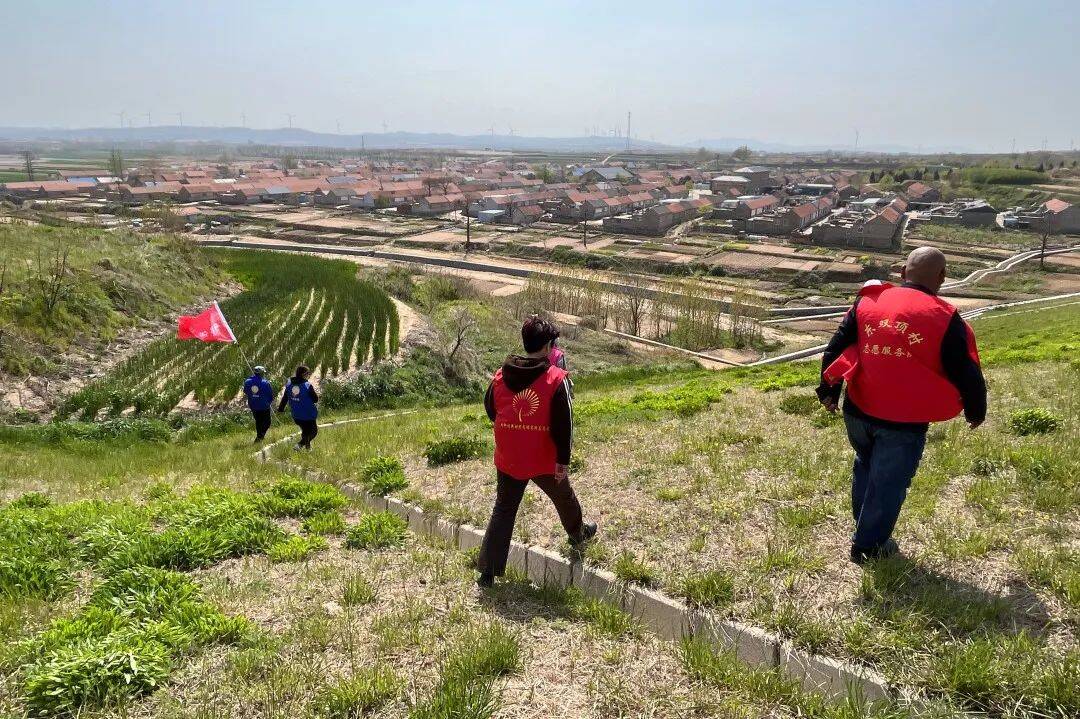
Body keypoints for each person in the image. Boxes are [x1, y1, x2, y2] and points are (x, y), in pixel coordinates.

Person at [817, 247, 986, 564]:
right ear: (942, 277)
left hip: (858, 410)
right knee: (888, 483)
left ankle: (864, 529)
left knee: (866, 465)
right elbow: (966, 370)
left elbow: (838, 346)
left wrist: (828, 391)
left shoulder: (869, 300)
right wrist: (976, 411)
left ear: (903, 273)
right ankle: (868, 547)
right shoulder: (945, 317)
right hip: (903, 422)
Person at [477, 316, 596, 588]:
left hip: (509, 456)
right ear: (546, 347)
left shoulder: (500, 375)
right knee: (563, 496)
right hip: (543, 457)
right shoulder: (555, 379)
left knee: (504, 508)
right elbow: (564, 424)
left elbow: (491, 408)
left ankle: (487, 572)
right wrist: (563, 460)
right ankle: (578, 534)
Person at [277, 364, 319, 451]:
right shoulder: (307, 385)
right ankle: (299, 445)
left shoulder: (289, 385)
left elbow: (285, 398)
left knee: (305, 431)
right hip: (308, 414)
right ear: (303, 374)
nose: (309, 375)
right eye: (308, 373)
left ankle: (308, 448)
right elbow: (315, 399)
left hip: (296, 415)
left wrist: (281, 409)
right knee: (313, 432)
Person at [242, 365, 274, 443]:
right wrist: (268, 402)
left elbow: (246, 391)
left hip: (253, 405)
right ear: (262, 373)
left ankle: (259, 437)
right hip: (264, 406)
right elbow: (271, 395)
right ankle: (260, 437)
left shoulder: (247, 381)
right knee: (267, 422)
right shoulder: (265, 383)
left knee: (258, 422)